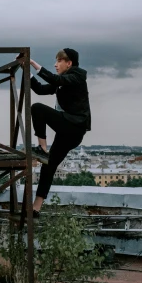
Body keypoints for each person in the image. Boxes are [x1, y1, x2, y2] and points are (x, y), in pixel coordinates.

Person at [26, 48, 91, 215]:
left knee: (37, 109)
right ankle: (36, 208)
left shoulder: (76, 77)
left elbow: (55, 79)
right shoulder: (63, 82)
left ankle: (42, 149)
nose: (55, 65)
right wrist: (27, 73)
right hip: (69, 131)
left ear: (69, 63)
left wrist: (33, 64)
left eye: (58, 61)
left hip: (74, 126)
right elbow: (40, 89)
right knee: (49, 166)